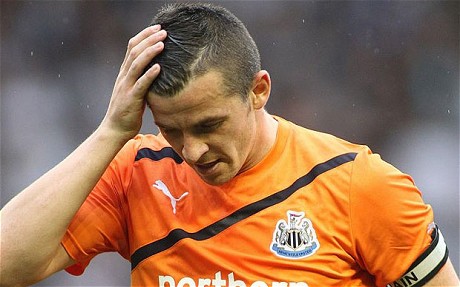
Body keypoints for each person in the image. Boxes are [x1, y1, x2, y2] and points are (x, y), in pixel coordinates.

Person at [0, 3, 458, 287]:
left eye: (209, 124)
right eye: (171, 130)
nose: (193, 150)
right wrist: (110, 133)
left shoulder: (360, 184)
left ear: (259, 90)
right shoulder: (135, 171)